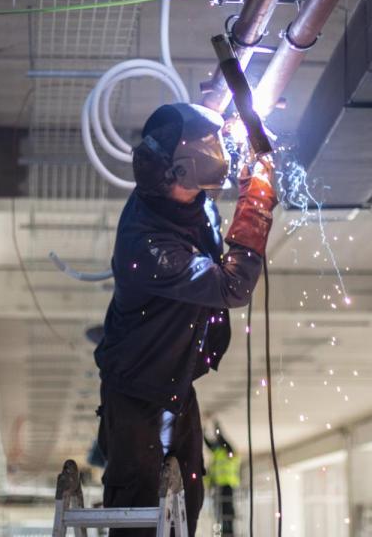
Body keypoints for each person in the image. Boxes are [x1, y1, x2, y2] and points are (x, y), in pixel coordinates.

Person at [94, 102, 276, 536]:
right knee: (138, 511)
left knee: (187, 500)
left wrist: (225, 117)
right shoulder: (149, 244)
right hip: (135, 390)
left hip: (173, 384)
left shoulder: (185, 199)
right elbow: (232, 287)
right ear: (186, 172)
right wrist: (258, 197)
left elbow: (187, 127)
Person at [205, 421, 240, 537]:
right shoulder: (221, 453)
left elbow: (221, 440)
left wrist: (214, 428)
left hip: (227, 485)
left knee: (225, 511)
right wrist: (208, 429)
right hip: (220, 486)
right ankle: (227, 533)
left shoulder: (228, 452)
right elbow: (212, 443)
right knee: (221, 512)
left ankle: (226, 533)